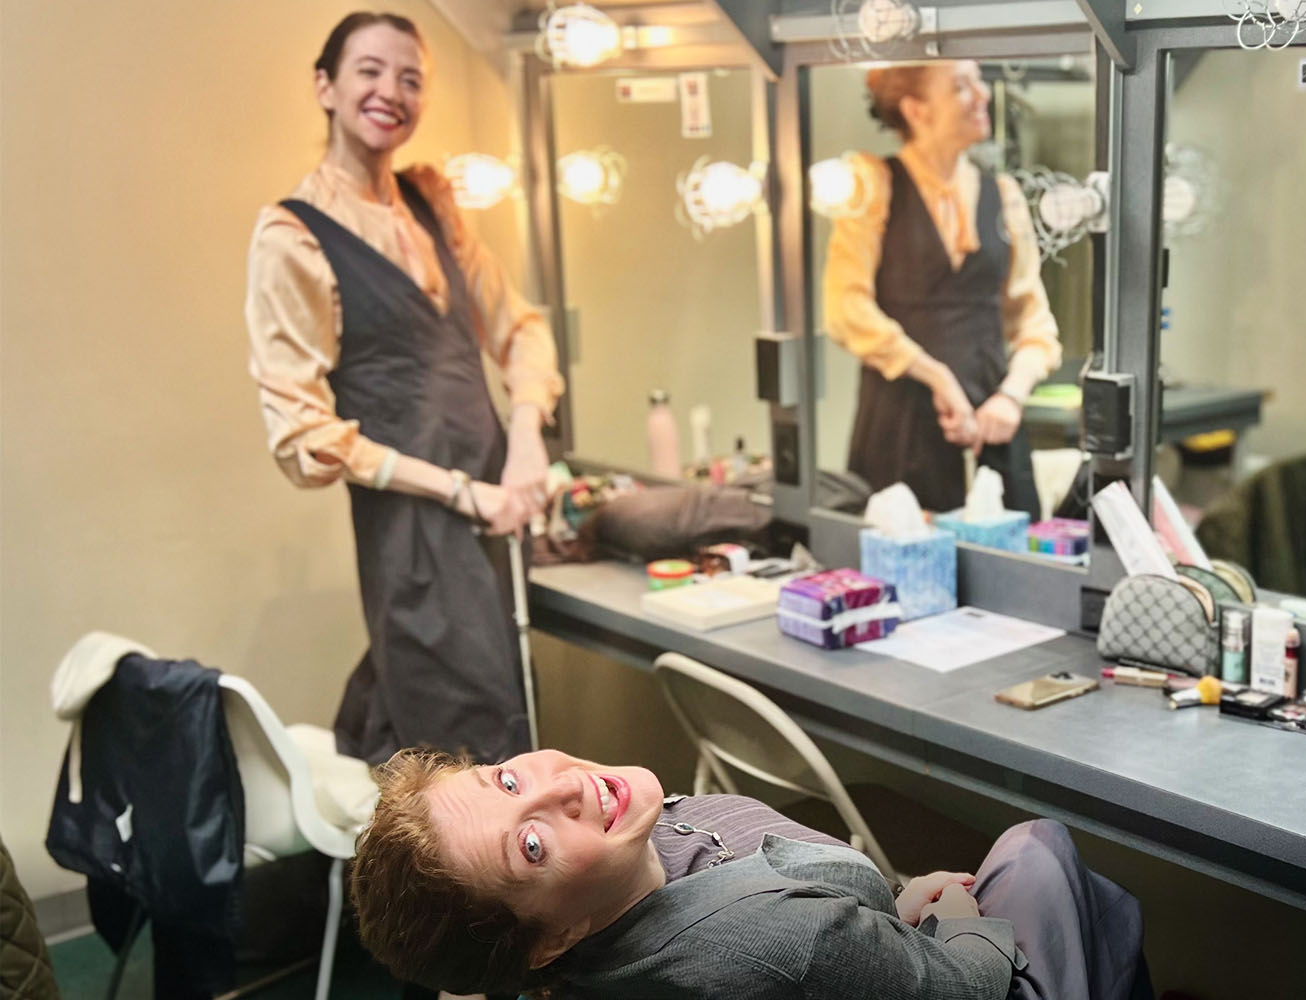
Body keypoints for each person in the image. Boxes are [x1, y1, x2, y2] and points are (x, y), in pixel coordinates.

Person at [244, 12, 563, 766]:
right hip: (415, 535)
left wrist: (524, 442)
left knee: (495, 709)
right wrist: (460, 491)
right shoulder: (293, 238)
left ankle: (380, 873)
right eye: (369, 71)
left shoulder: (430, 206)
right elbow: (301, 434)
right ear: (325, 86)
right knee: (475, 752)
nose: (392, 91)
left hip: (498, 504)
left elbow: (521, 328)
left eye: (411, 77)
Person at [350, 748, 1152, 999]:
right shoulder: (774, 942)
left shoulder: (615, 912)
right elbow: (957, 985)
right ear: (549, 939)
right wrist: (961, 922)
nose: (564, 785)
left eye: (505, 779)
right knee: (1039, 850)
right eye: (531, 847)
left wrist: (887, 909)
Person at [823, 60, 1063, 519]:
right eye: (960, 86)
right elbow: (844, 308)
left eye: (978, 81)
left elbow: (1034, 322)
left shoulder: (1004, 193)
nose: (983, 95)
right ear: (917, 110)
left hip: (995, 430)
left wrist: (1010, 397)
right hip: (898, 432)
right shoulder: (872, 184)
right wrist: (938, 377)